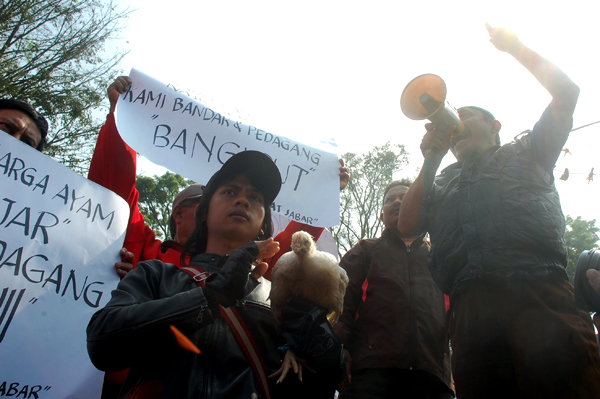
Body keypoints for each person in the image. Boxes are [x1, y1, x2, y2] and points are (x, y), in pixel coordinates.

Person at [87, 76, 349, 397]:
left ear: (265, 225)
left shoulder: (276, 297)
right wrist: (209, 297)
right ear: (201, 213)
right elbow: (103, 343)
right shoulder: (154, 274)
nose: (243, 200)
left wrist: (322, 358)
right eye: (229, 191)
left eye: (256, 198)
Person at [398, 25, 600, 399]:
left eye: (465, 117)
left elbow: (568, 93)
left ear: (495, 126)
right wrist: (431, 157)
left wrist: (516, 48)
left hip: (540, 295)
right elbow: (406, 224)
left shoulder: (529, 150)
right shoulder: (441, 179)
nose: (455, 125)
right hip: (471, 315)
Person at [334, 179, 453, 399]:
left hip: (432, 377)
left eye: (405, 198)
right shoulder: (365, 250)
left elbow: (456, 314)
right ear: (381, 215)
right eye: (391, 200)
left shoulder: (441, 255)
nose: (398, 202)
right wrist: (340, 346)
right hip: (370, 374)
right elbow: (340, 299)